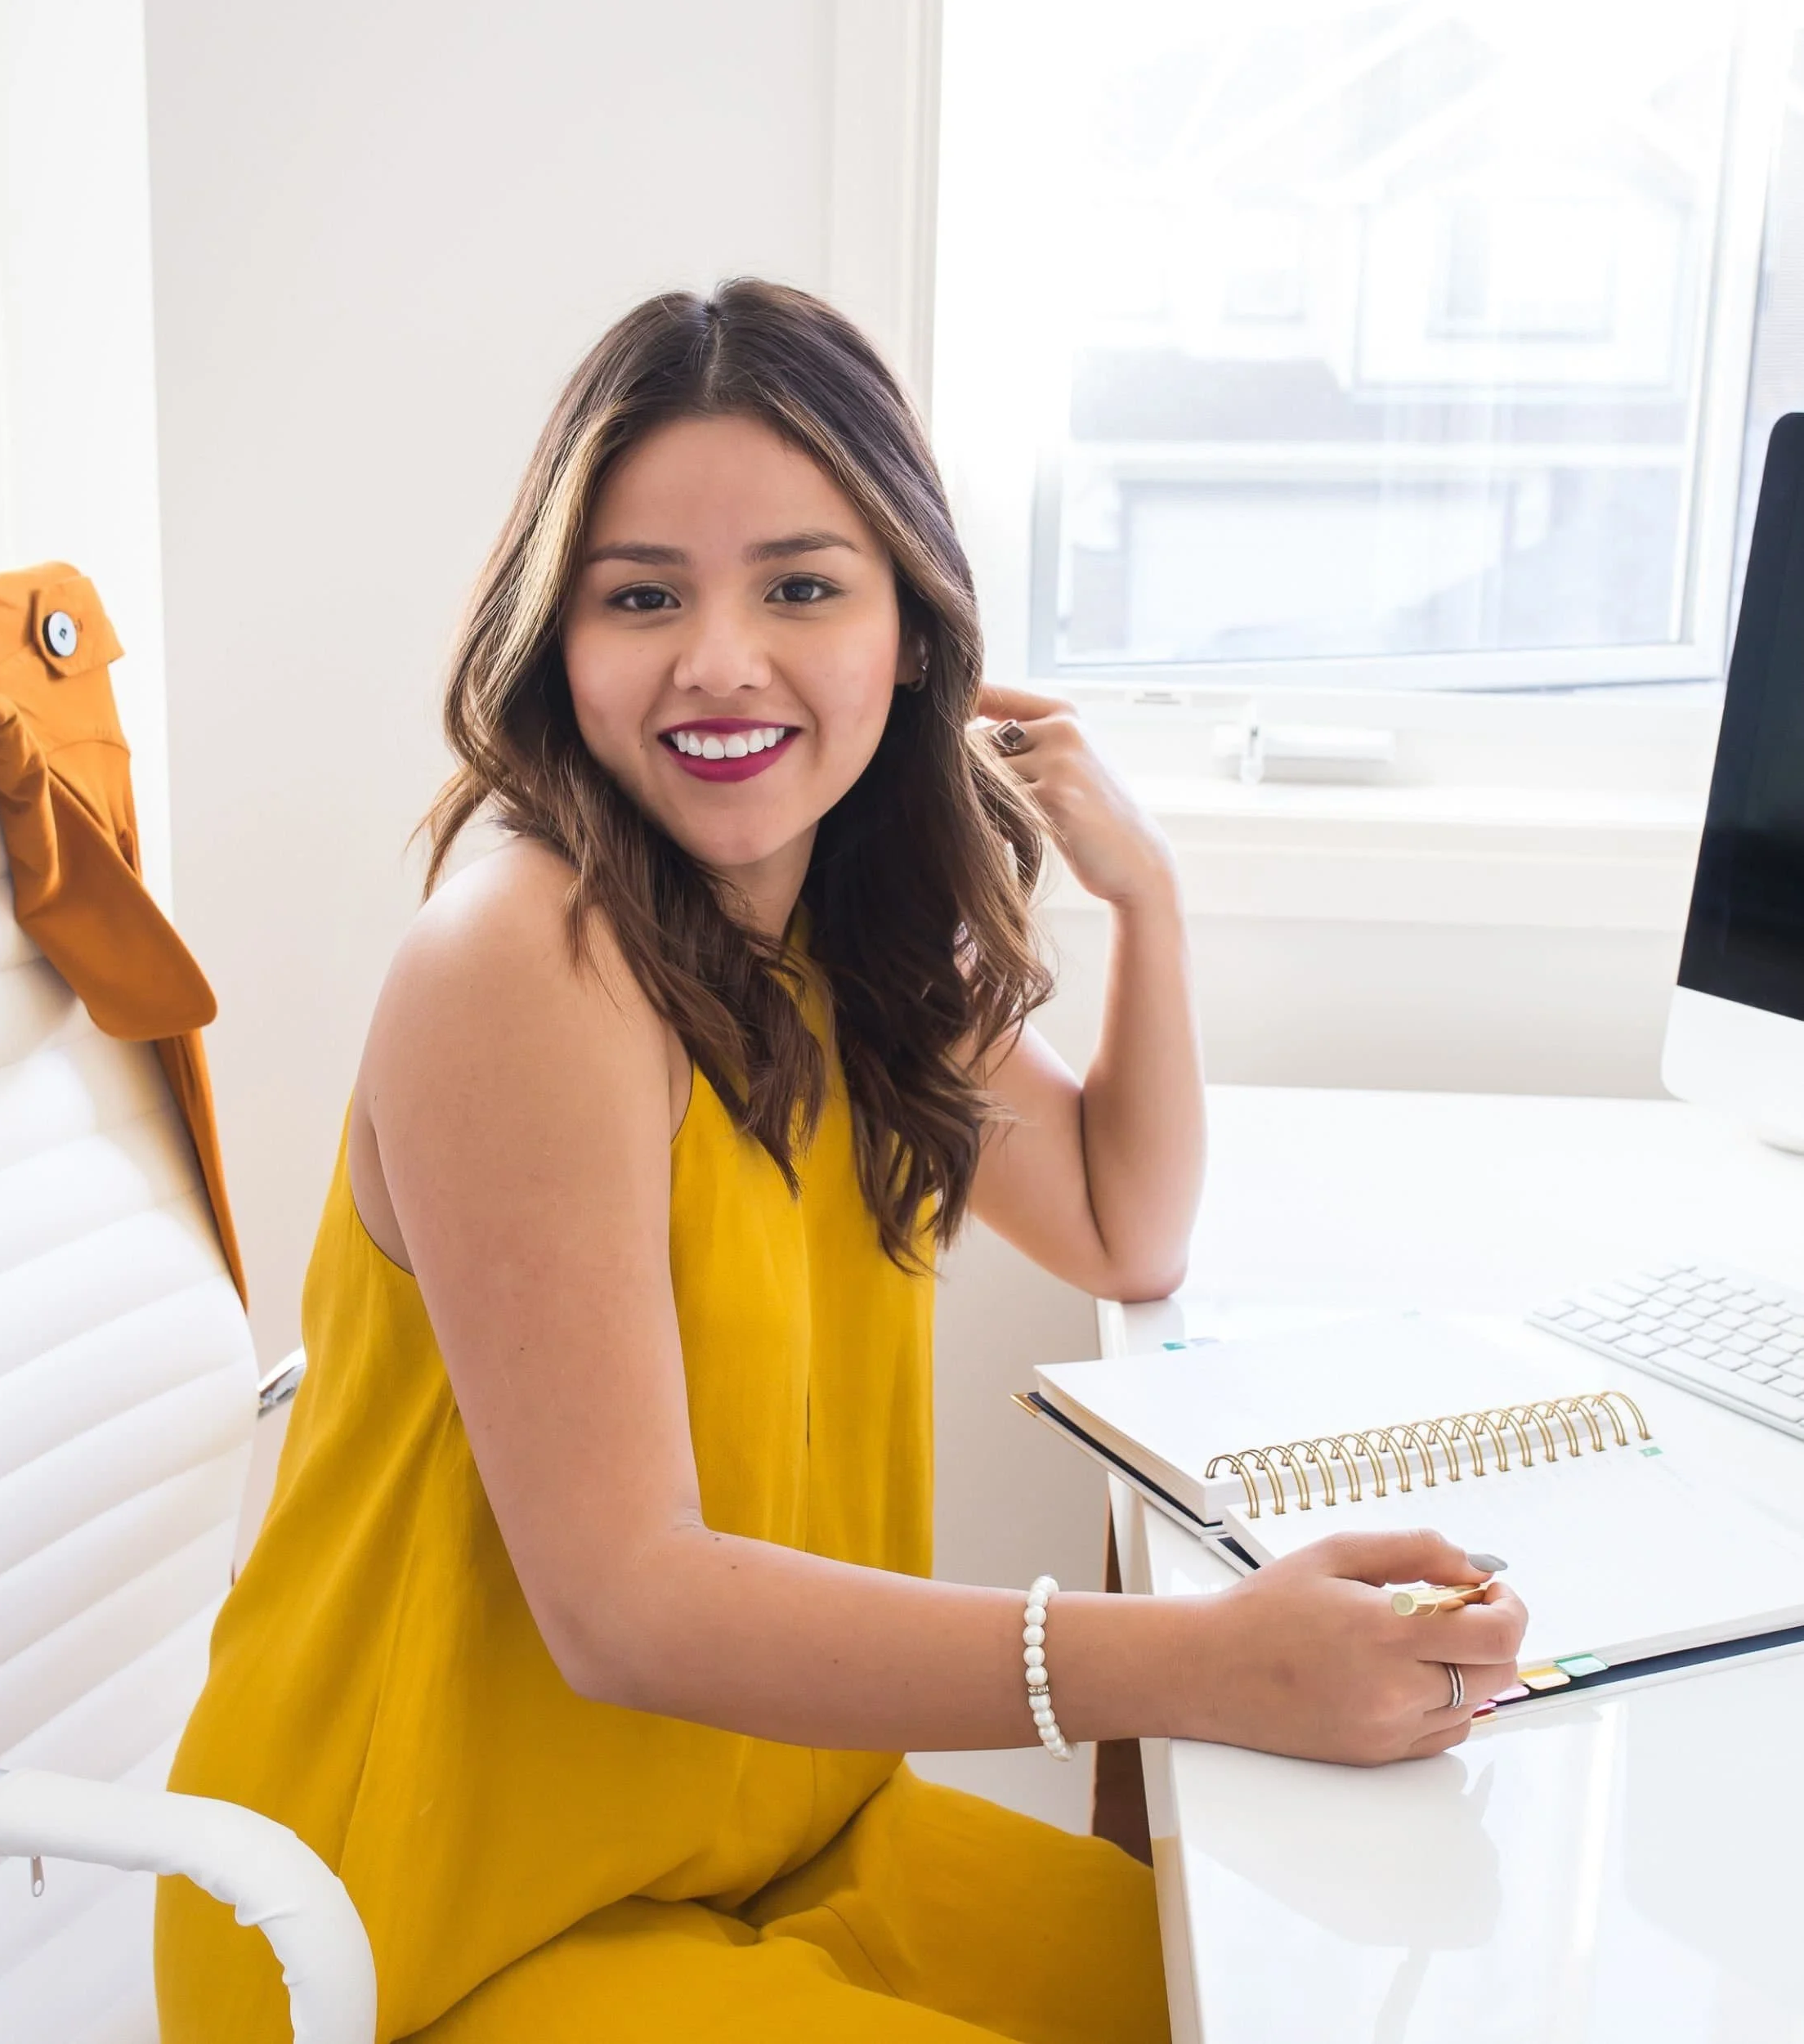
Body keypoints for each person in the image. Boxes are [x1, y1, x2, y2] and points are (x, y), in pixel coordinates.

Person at [154, 280, 1526, 2044]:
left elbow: (1121, 1226)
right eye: (642, 595)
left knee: (1276, 2005)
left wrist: (1148, 897)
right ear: (557, 642)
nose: (720, 659)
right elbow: (627, 1609)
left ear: (911, 631)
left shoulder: (836, 925)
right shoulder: (521, 963)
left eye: (800, 587)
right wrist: (1204, 1663)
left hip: (780, 1838)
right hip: (420, 1930)